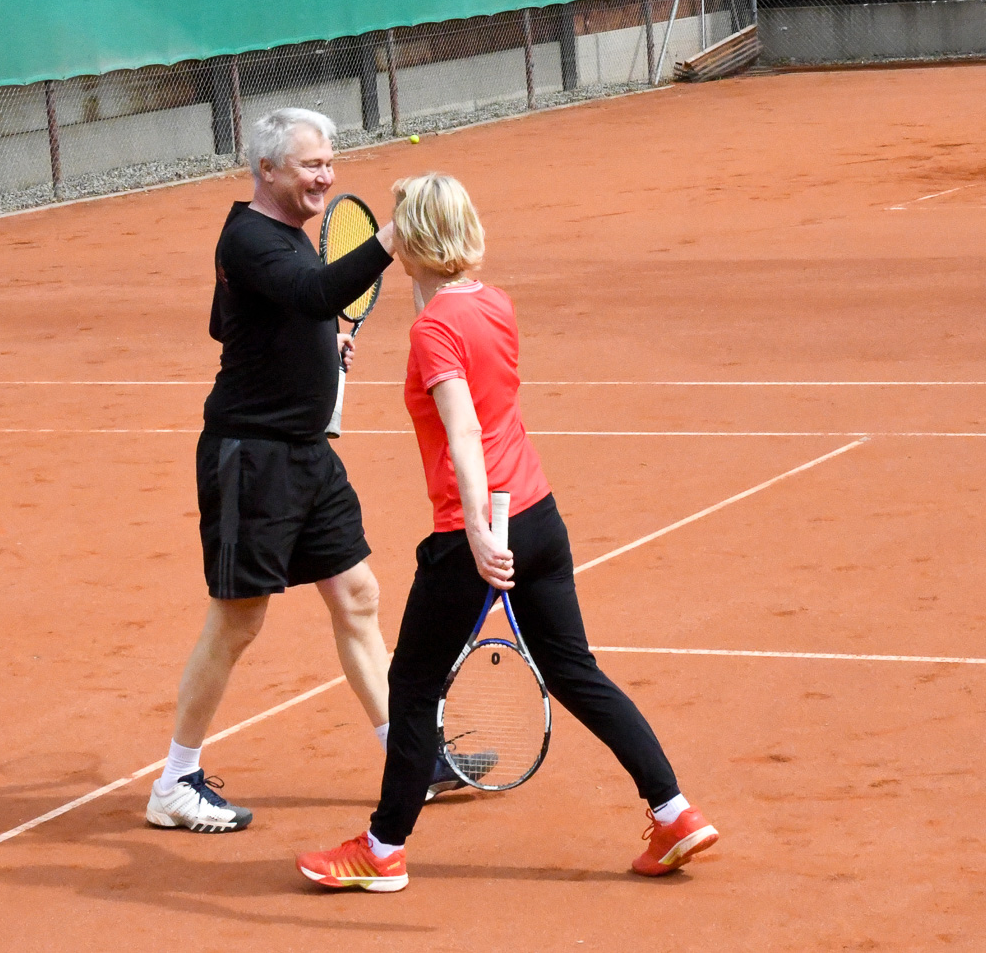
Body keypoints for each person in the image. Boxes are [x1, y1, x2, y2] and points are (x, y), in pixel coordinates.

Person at [296, 173, 718, 889]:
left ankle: (383, 848)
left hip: (476, 532)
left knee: (413, 681)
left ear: (415, 242)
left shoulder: (432, 332)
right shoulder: (496, 304)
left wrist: (478, 535)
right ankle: (674, 810)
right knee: (575, 671)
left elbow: (463, 430)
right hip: (539, 515)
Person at [145, 108, 397, 833]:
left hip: (308, 453)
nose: (328, 175)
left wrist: (316, 349)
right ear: (268, 171)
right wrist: (388, 240)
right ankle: (175, 780)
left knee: (357, 595)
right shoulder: (250, 236)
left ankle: (403, 754)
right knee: (238, 617)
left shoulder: (278, 241)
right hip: (251, 457)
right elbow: (316, 295)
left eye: (330, 161)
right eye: (313, 164)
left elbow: (232, 325)